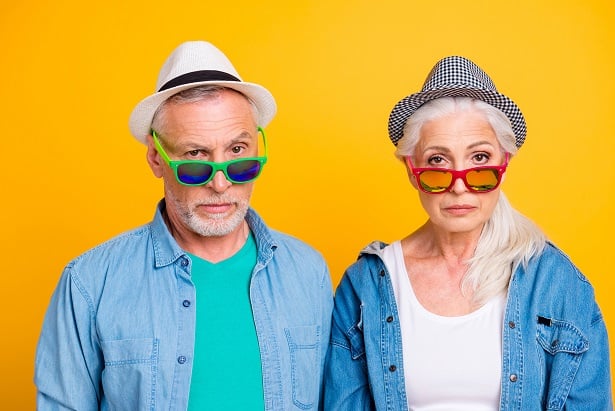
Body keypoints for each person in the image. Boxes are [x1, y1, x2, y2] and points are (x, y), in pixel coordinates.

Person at [35, 40, 333, 410]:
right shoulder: (90, 283)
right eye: (195, 156)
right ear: (156, 159)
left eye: (238, 152)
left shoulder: (308, 272)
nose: (220, 183)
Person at [323, 56, 612, 410]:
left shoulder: (557, 282)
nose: (459, 186)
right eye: (437, 161)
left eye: (479, 159)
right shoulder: (366, 284)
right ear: (412, 171)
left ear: (503, 167)